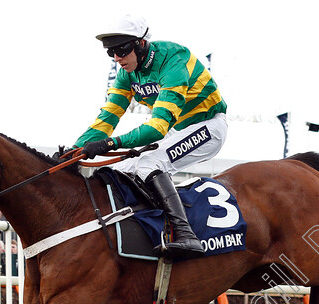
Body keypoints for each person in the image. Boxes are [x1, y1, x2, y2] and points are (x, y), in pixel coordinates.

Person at [69, 15, 228, 258]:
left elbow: (156, 129)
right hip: (179, 130)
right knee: (120, 169)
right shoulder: (127, 74)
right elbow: (108, 118)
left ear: (141, 44)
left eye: (121, 50)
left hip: (208, 126)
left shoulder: (175, 59)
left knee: (149, 163)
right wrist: (75, 150)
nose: (117, 58)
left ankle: (187, 235)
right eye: (110, 52)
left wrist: (110, 143)